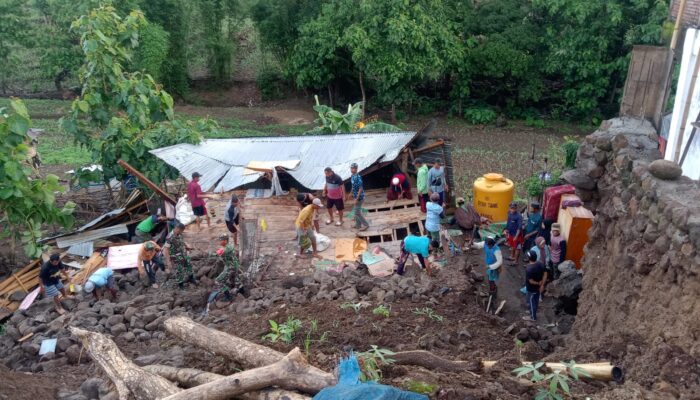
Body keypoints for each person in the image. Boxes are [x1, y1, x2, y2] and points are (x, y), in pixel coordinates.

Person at [163, 222, 196, 289]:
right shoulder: (169, 237)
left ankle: (191, 278)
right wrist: (168, 261)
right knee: (179, 270)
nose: (182, 232)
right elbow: (166, 250)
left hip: (183, 254)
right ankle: (180, 285)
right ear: (178, 229)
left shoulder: (179, 234)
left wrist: (187, 246)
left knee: (189, 265)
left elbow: (182, 242)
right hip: (175, 257)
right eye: (181, 231)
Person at [212, 234, 241, 301]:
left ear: (225, 241)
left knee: (218, 281)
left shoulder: (226, 248)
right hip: (233, 265)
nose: (219, 242)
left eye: (220, 240)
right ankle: (239, 291)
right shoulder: (229, 245)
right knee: (235, 280)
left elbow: (217, 254)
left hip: (231, 267)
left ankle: (228, 296)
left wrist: (211, 254)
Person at [524, 250, 547, 321]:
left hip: (531, 289)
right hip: (537, 288)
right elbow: (545, 274)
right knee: (535, 301)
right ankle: (531, 311)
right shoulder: (540, 263)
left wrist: (538, 283)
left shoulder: (529, 269)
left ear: (528, 258)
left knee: (532, 302)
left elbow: (531, 281)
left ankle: (533, 317)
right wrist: (542, 284)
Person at [349, 163, 370, 231]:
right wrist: (350, 193)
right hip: (355, 196)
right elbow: (353, 186)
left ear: (356, 169)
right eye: (351, 168)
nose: (352, 170)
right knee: (356, 211)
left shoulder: (358, 177)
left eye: (354, 168)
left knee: (357, 212)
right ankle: (358, 225)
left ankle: (366, 225)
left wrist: (357, 199)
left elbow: (360, 189)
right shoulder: (352, 176)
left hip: (359, 197)